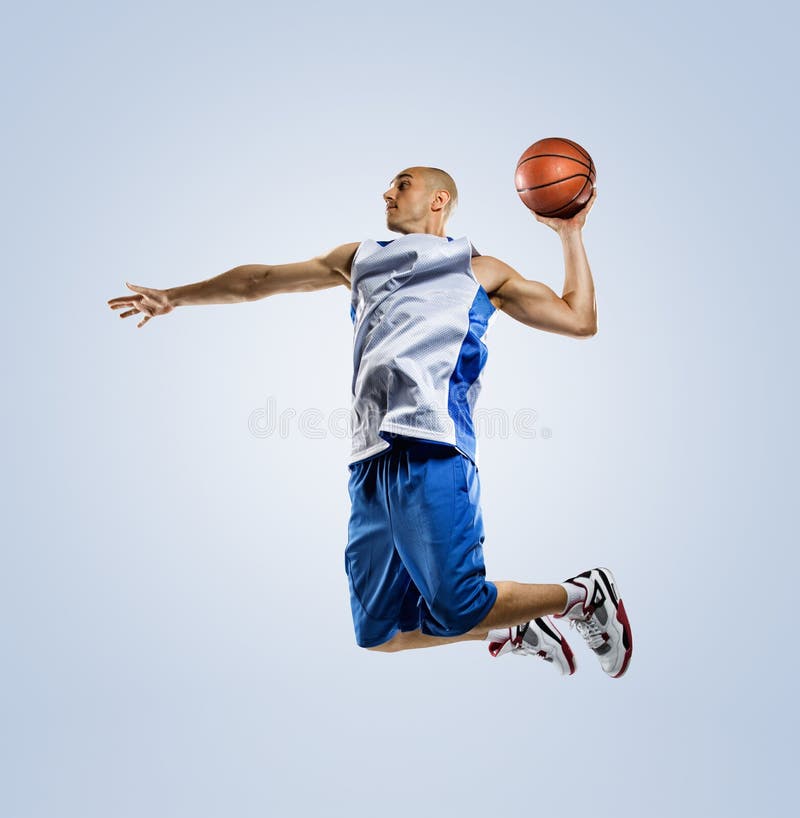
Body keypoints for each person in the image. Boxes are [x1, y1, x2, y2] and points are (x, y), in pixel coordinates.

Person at [107, 166, 633, 678]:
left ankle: (584, 593)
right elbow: (258, 281)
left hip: (434, 444)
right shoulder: (358, 259)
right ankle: (510, 630)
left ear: (438, 200)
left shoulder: (479, 269)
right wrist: (173, 296)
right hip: (368, 458)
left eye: (401, 184)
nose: (386, 194)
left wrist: (570, 232)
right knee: (378, 634)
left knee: (459, 603)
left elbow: (579, 319)